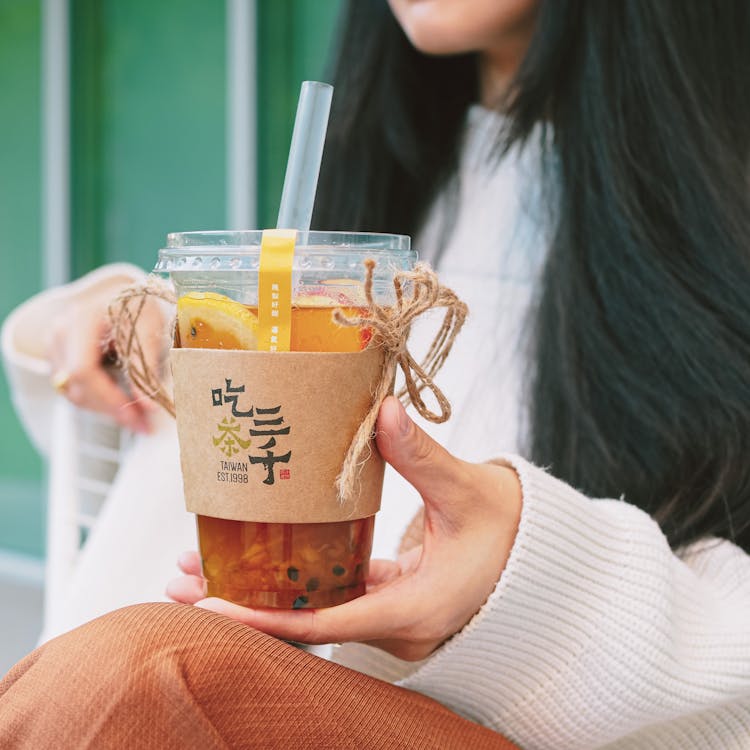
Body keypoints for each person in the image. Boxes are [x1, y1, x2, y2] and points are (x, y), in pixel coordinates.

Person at [2, 0, 749, 747]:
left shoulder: (709, 237)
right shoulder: (387, 193)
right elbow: (185, 446)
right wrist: (108, 326)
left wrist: (527, 582)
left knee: (138, 677)